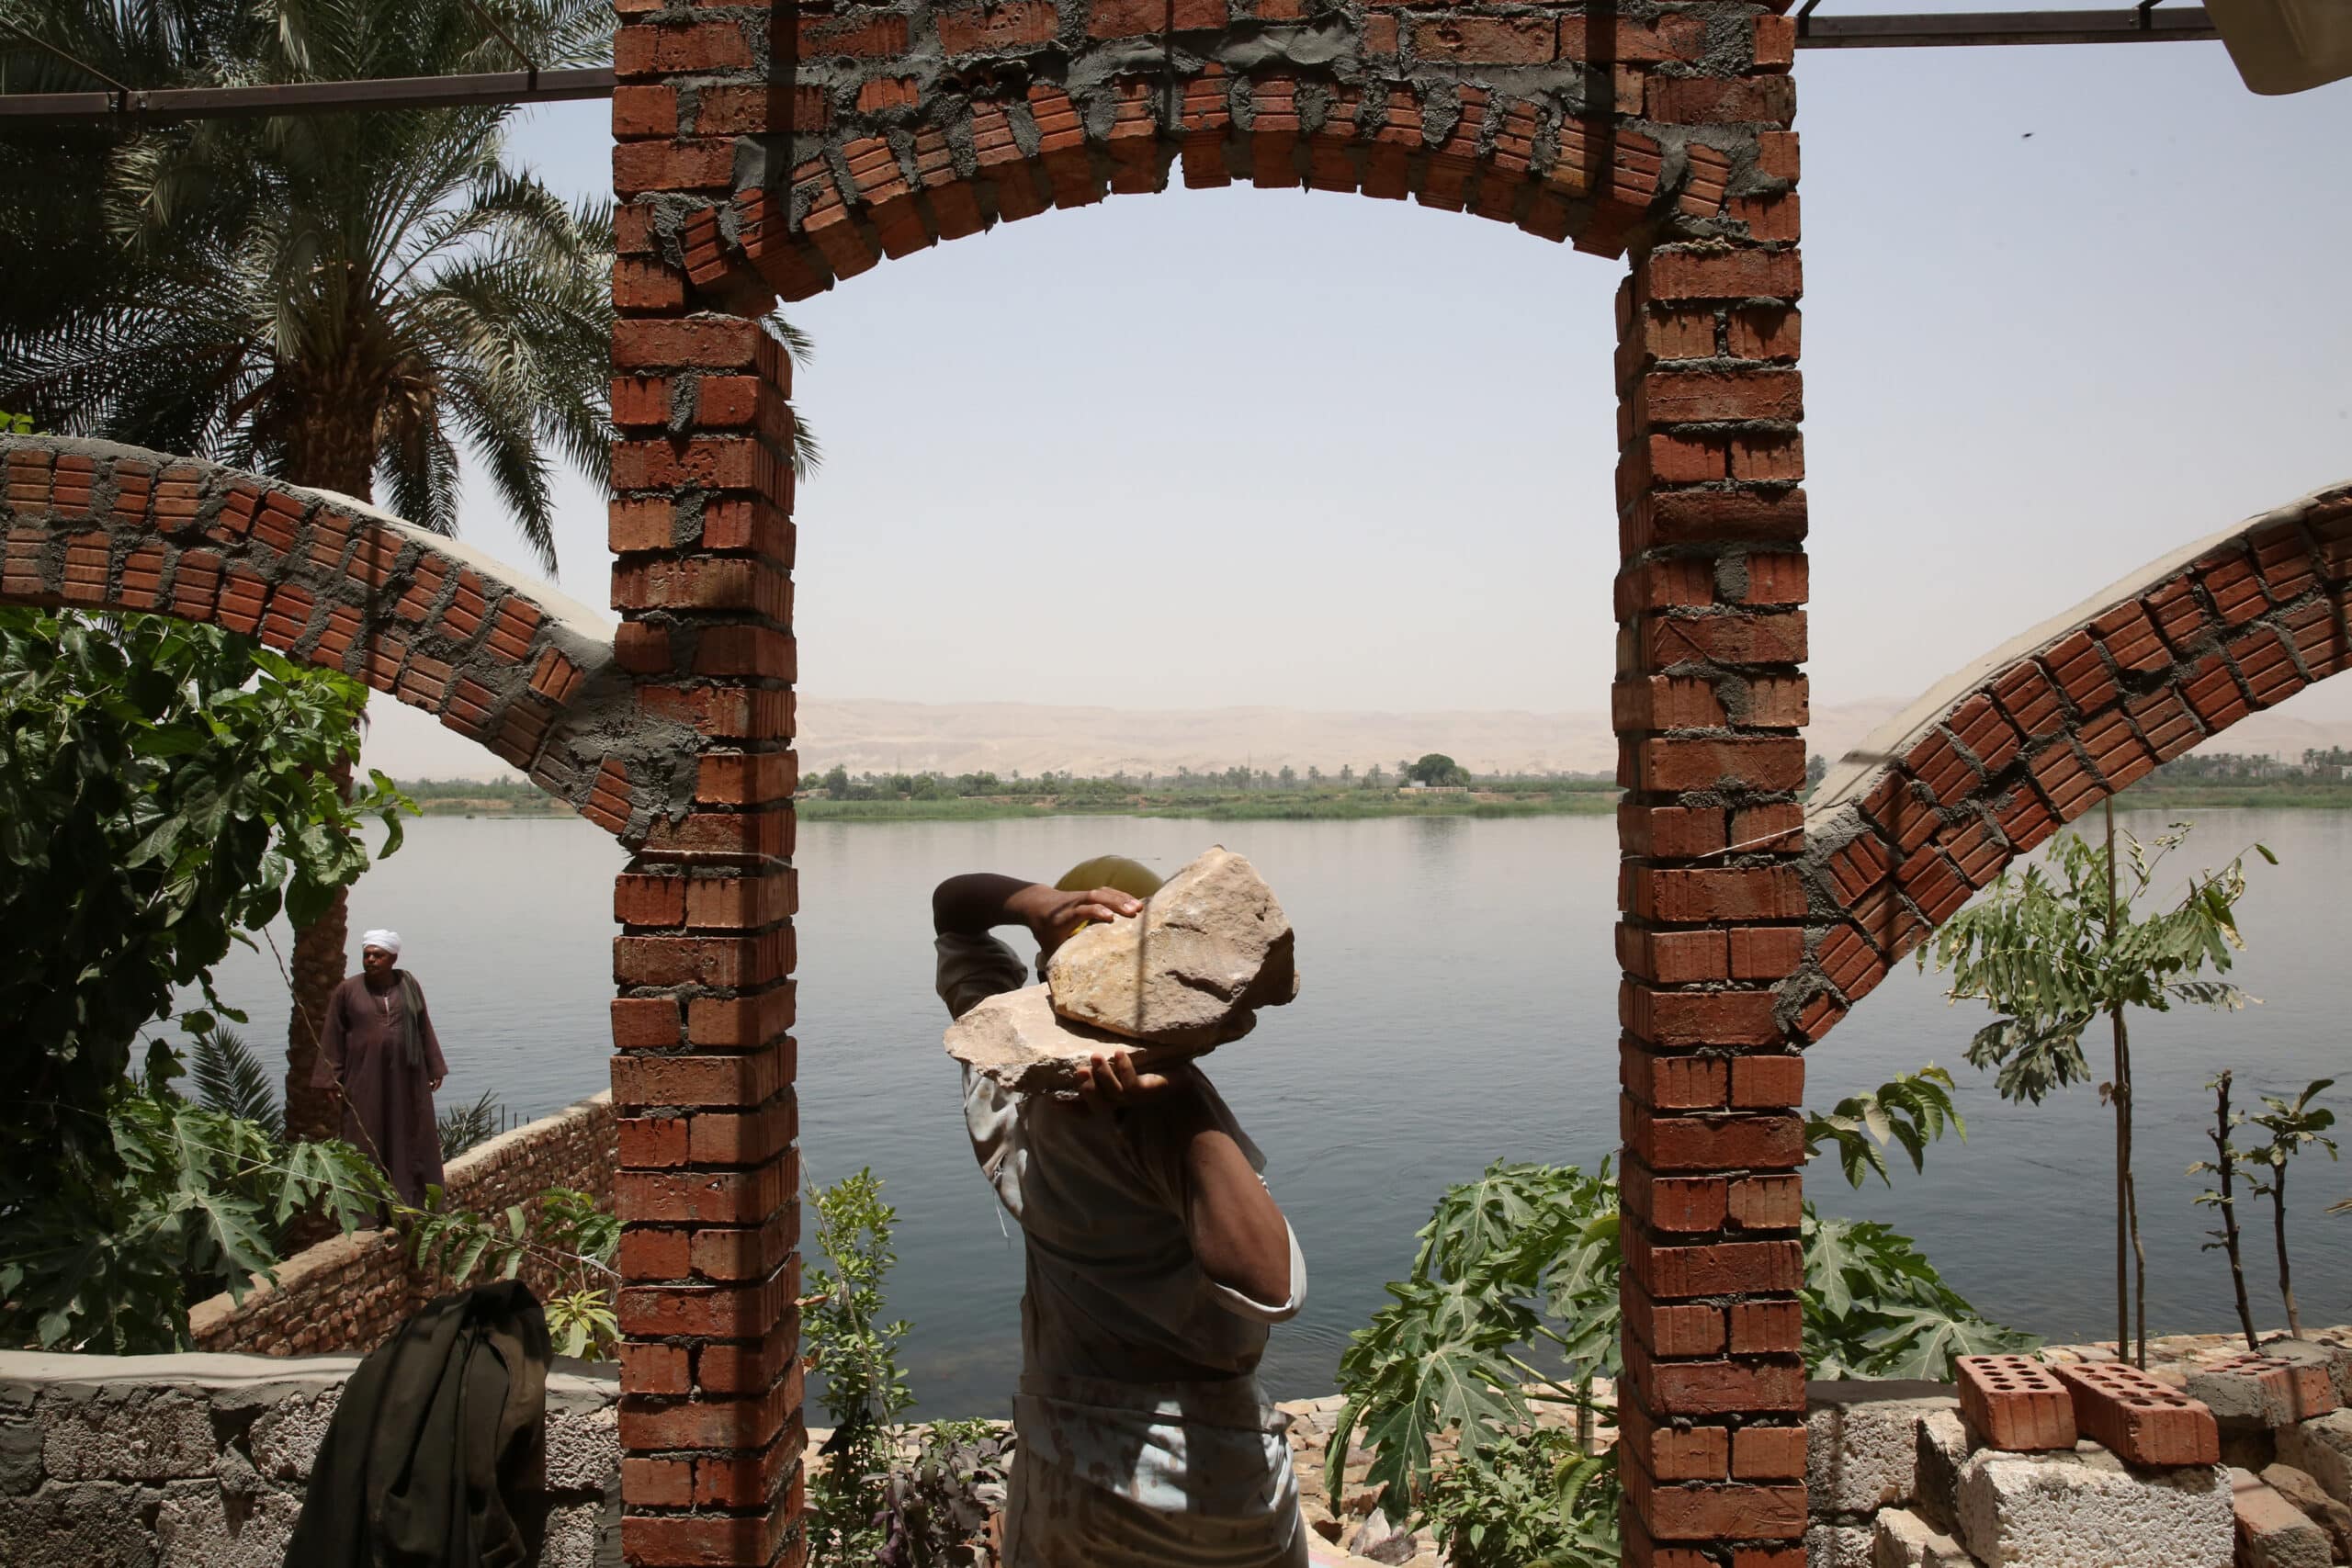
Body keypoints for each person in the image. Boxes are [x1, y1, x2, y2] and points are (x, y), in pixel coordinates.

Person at [932, 856, 1310, 1568]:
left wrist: (1039, 903)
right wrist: (1177, 1106)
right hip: (1213, 1483)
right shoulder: (1177, 1120)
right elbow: (1274, 1285)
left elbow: (953, 905)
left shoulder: (1006, 1088)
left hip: (1067, 1464)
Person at [311, 928, 448, 1208]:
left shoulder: (408, 986)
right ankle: (366, 1211)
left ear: (393, 958)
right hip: (364, 1079)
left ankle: (412, 1202)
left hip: (407, 1078)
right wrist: (330, 1079)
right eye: (367, 955)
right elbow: (332, 1036)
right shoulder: (347, 991)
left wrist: (433, 1066)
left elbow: (423, 1027)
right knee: (364, 1137)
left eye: (378, 955)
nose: (371, 960)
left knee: (409, 1135)